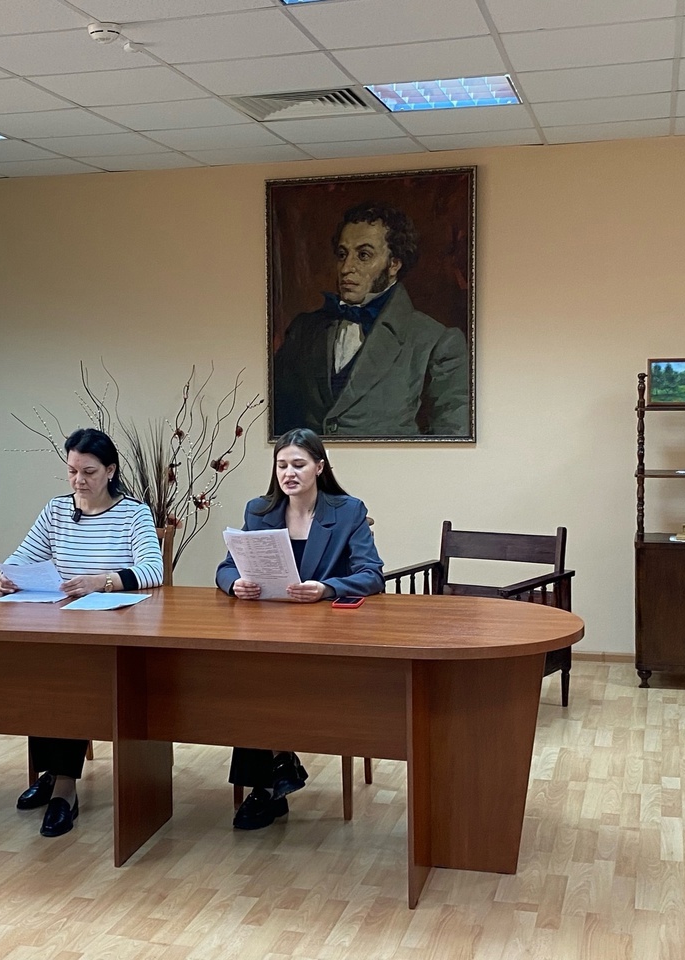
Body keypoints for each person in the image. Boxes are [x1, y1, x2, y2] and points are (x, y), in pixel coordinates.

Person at [215, 427, 384, 830]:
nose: (288, 473)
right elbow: (225, 568)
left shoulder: (348, 511)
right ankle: (277, 770)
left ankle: (267, 784)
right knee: (246, 677)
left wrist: (327, 588)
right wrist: (235, 584)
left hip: (325, 636)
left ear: (319, 467)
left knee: (264, 681)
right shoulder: (259, 511)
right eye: (282, 465)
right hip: (267, 630)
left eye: (298, 464)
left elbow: (372, 574)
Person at [0, 427, 164, 838]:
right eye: (72, 471)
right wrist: (10, 576)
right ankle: (51, 773)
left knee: (68, 676)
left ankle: (65, 789)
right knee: (41, 670)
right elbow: (23, 557)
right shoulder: (57, 510)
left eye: (88, 472)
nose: (79, 481)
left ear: (110, 471)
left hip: (113, 628)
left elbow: (152, 570)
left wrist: (101, 581)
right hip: (61, 623)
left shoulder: (134, 513)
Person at [272, 201, 470, 438]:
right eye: (342, 255)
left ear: (394, 264)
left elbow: (453, 438)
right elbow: (276, 419)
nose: (346, 268)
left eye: (363, 255)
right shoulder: (303, 330)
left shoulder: (436, 341)